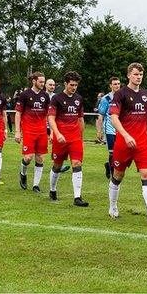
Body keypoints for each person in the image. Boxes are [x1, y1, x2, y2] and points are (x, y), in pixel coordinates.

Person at [108, 63, 147, 225]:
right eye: (135, 74)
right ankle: (112, 206)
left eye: (140, 74)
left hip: (141, 143)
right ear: (128, 75)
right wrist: (126, 135)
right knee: (118, 175)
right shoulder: (120, 94)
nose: (138, 77)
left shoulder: (145, 94)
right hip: (123, 143)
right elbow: (114, 118)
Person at [48, 71, 89, 207]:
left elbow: (80, 119)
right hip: (61, 139)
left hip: (75, 138)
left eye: (76, 85)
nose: (74, 87)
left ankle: (77, 197)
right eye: (71, 84)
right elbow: (51, 118)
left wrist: (81, 137)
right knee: (57, 165)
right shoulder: (57, 99)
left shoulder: (79, 99)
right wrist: (57, 133)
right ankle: (52, 190)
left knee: (77, 164)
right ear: (65, 84)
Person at [15, 72, 50, 192]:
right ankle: (23, 174)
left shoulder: (45, 96)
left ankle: (36, 185)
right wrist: (17, 131)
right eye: (40, 82)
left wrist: (50, 131)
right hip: (28, 130)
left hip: (41, 130)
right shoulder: (24, 95)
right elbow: (18, 113)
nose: (43, 84)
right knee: (28, 157)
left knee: (40, 157)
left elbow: (48, 115)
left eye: (43, 82)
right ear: (34, 81)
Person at [96, 77, 121, 178]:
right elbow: (100, 115)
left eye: (118, 84)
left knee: (118, 153)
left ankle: (108, 165)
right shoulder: (106, 99)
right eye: (114, 84)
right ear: (110, 85)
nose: (117, 86)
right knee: (112, 152)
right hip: (109, 128)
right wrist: (99, 131)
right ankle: (112, 174)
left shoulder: (123, 97)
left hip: (120, 129)